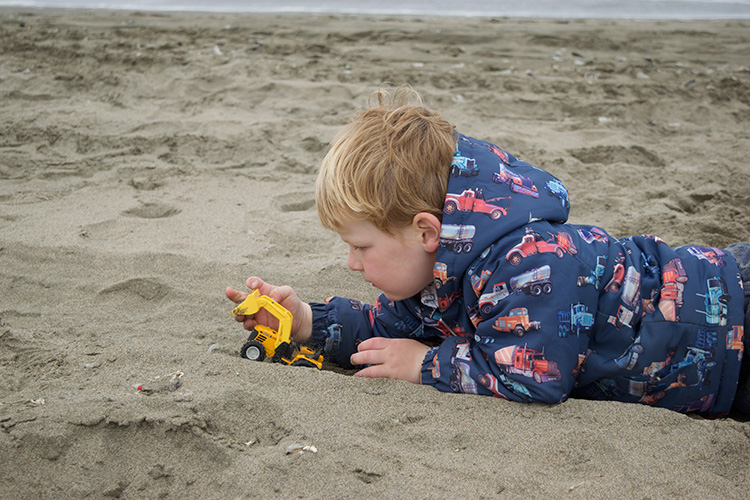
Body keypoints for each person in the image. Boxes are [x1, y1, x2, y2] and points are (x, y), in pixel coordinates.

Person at [226, 86, 750, 417]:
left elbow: (533, 376)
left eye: (360, 246)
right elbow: (385, 331)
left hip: (734, 337)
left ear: (426, 232)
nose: (352, 263)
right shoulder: (437, 271)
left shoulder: (530, 260)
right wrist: (302, 321)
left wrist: (427, 365)